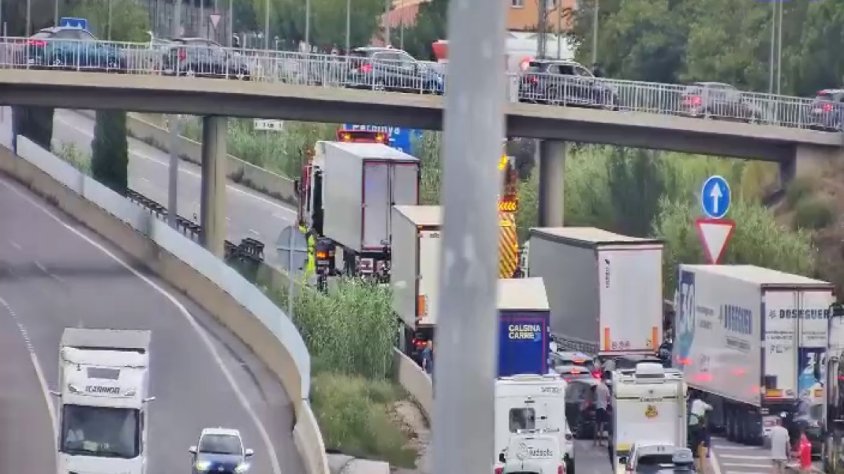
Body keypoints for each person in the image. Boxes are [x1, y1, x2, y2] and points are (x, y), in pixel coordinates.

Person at [688, 395, 712, 473]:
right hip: (698, 426)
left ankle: (695, 463)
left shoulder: (692, 403)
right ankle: (702, 467)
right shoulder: (702, 403)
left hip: (691, 426)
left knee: (694, 443)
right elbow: (710, 408)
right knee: (703, 442)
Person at [594, 378, 611, 447]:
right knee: (602, 425)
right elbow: (608, 398)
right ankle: (600, 442)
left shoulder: (598, 387)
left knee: (596, 424)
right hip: (603, 407)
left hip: (598, 407)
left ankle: (595, 442)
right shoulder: (606, 388)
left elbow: (595, 396)